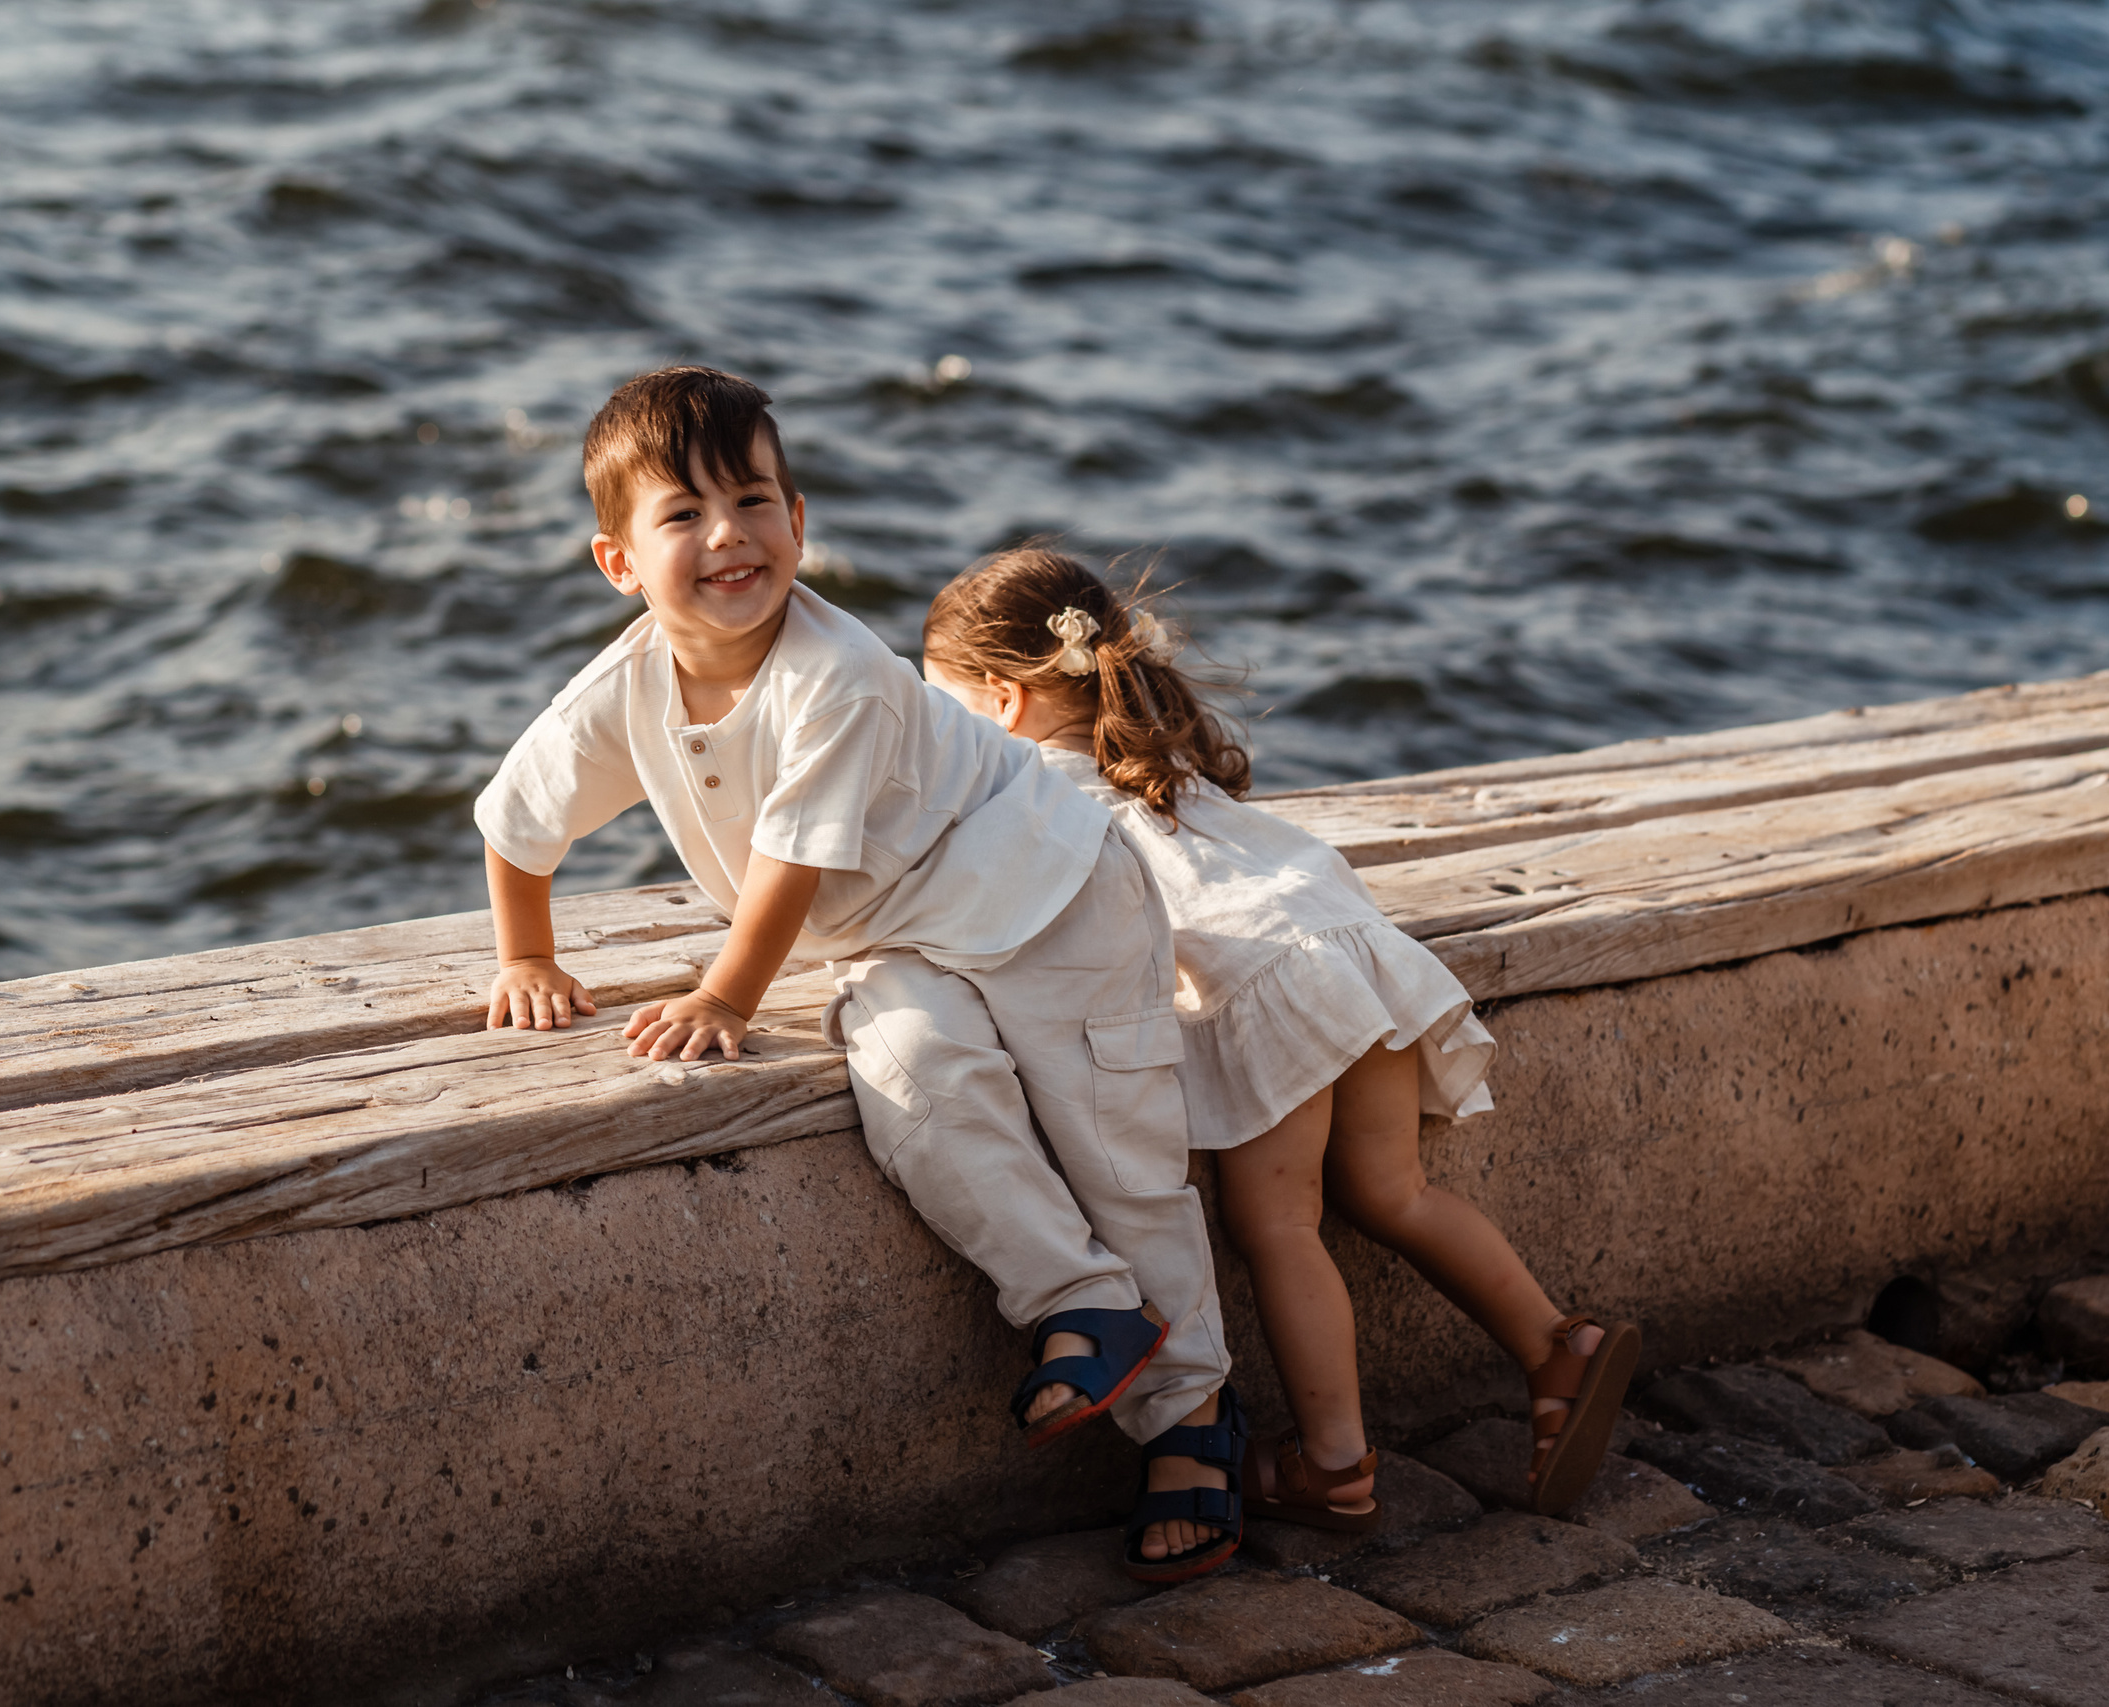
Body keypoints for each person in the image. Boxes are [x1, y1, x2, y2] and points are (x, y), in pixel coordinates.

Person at [473, 369, 1243, 1579]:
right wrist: (527, 955)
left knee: (1122, 1160)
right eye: (682, 515)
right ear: (618, 562)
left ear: (799, 519)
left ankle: (1192, 1422)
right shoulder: (622, 690)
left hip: (1055, 905)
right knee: (915, 1083)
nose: (728, 534)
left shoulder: (832, 674)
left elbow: (786, 866)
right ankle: (1080, 1303)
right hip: (900, 941)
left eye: (755, 499)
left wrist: (724, 998)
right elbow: (519, 821)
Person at [920, 544, 1641, 1528]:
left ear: (1001, 701)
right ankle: (1557, 1345)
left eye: (941, 709)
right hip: (1350, 953)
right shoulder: (1158, 770)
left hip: (1263, 990)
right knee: (1394, 1192)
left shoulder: (1033, 801)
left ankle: (1335, 1462)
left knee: (1279, 1228)